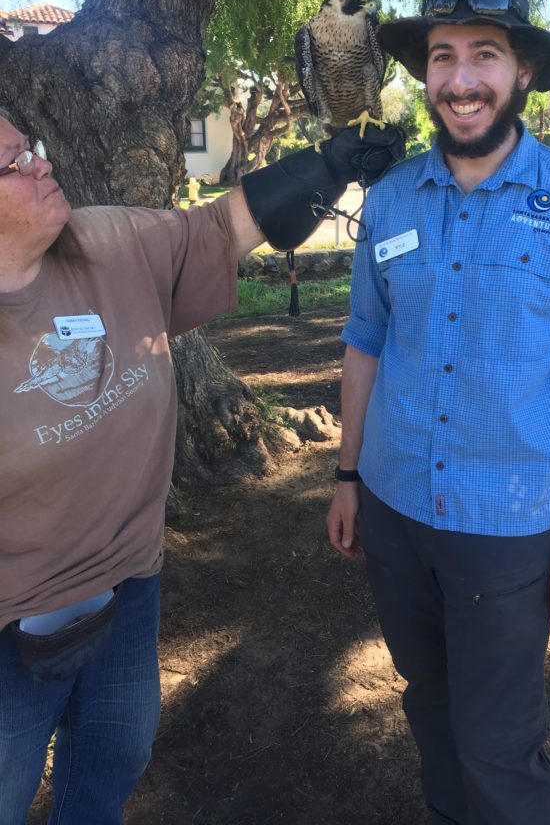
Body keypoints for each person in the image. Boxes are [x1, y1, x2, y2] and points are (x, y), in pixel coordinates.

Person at [0, 106, 403, 825]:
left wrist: (330, 164)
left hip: (128, 584)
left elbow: (218, 231)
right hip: (12, 622)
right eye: (14, 164)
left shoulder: (105, 242)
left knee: (111, 764)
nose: (42, 163)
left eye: (32, 147)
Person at [325, 0, 550, 825]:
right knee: (427, 702)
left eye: (485, 55)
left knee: (499, 745)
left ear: (523, 72)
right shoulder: (388, 204)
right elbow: (366, 342)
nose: (461, 80)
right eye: (442, 57)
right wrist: (346, 477)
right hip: (392, 508)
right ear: (423, 73)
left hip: (508, 529)